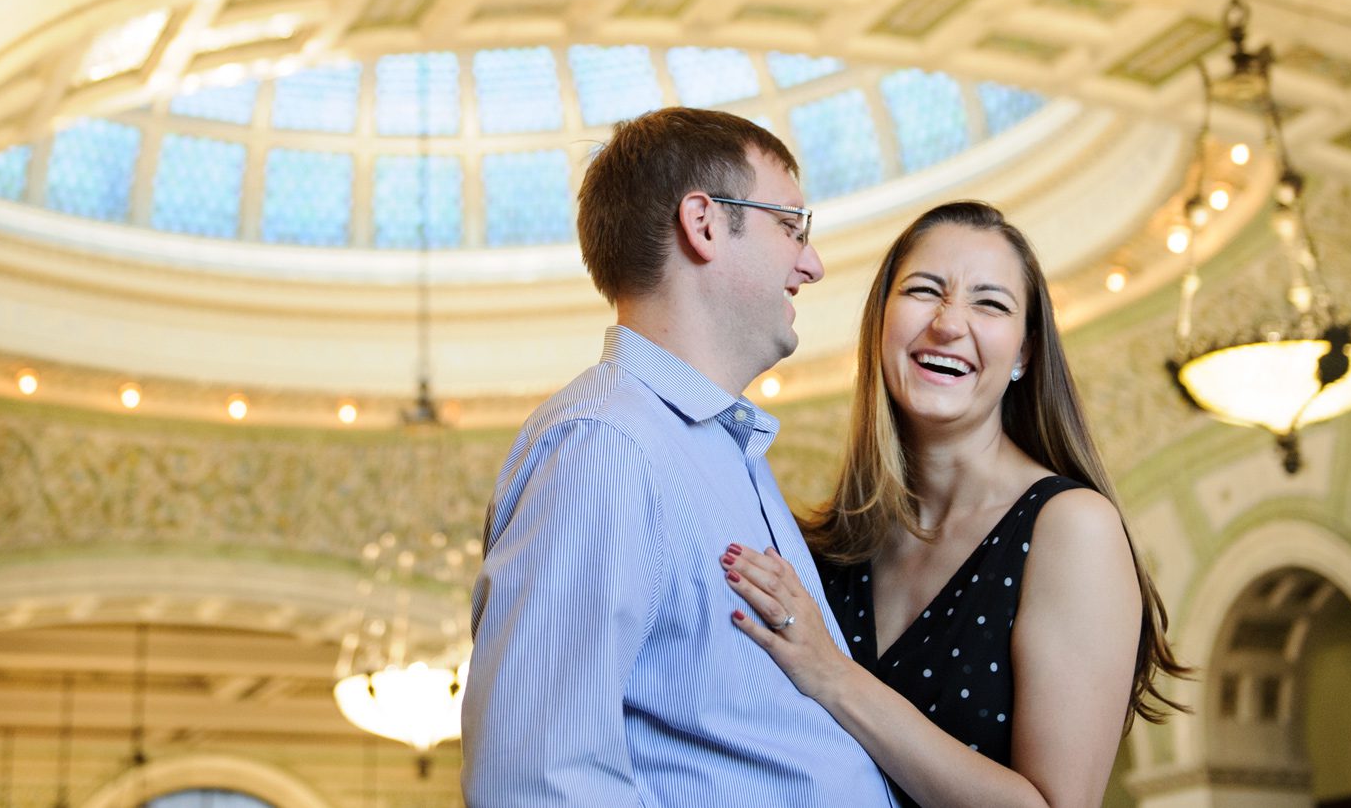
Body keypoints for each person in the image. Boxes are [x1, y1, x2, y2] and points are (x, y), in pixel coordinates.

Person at [462, 107, 895, 808]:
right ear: (703, 222)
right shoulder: (606, 444)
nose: (812, 264)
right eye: (791, 226)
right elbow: (536, 781)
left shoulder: (719, 448)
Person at [720, 200, 1186, 808]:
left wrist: (835, 677)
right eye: (924, 290)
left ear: (1023, 353)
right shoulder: (824, 549)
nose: (948, 324)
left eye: (989, 303)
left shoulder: (1072, 527)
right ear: (881, 323)